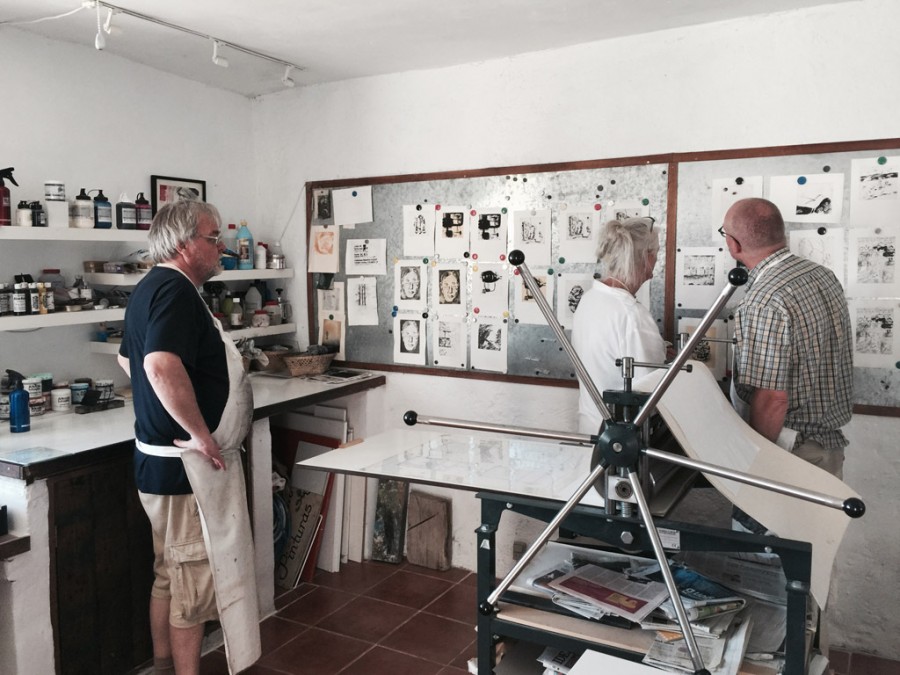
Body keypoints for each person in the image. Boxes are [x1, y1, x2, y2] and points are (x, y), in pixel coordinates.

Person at [118, 200, 259, 675]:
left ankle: (161, 667)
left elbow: (129, 362)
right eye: (213, 238)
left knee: (169, 573)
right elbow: (158, 365)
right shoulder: (175, 292)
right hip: (183, 468)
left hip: (156, 462)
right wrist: (200, 433)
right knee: (193, 587)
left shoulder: (150, 287)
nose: (222, 247)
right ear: (184, 245)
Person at [721, 197, 852, 478]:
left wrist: (757, 464)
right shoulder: (822, 275)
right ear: (780, 233)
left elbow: (772, 399)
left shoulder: (763, 300)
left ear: (734, 244)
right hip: (827, 448)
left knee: (763, 523)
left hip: (790, 453)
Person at [572, 216, 665, 434]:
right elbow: (649, 384)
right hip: (622, 435)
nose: (657, 260)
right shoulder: (631, 313)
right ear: (645, 256)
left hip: (591, 424)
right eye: (657, 253)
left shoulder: (590, 298)